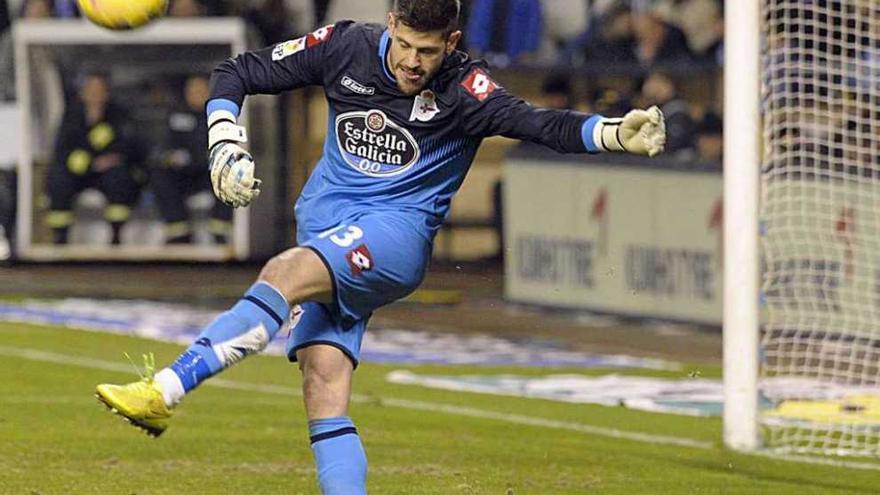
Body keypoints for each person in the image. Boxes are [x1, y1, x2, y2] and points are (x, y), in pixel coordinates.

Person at [94, 1, 666, 494]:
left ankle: (164, 389)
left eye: (430, 51)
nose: (415, 62)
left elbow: (540, 124)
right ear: (390, 22)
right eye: (407, 45)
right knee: (322, 384)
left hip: (393, 238)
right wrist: (224, 140)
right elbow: (238, 71)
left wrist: (612, 133)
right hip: (327, 232)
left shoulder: (467, 89)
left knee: (283, 272)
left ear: (453, 42)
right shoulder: (346, 47)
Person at [45, 74, 141, 245]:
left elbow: (128, 146)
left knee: (119, 178)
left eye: (100, 91)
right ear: (83, 94)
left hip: (108, 172)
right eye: (91, 91)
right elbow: (62, 150)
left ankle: (116, 234)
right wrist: (91, 163)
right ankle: (61, 236)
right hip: (78, 172)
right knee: (59, 179)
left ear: (107, 94)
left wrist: (109, 159)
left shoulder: (118, 116)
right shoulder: (71, 117)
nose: (95, 95)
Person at [150, 75, 233, 244]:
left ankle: (219, 232)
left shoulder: (220, 115)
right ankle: (179, 232)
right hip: (183, 173)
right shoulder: (176, 115)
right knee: (160, 175)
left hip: (209, 172)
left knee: (229, 174)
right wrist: (170, 156)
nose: (196, 94)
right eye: (192, 90)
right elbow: (166, 145)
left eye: (201, 90)